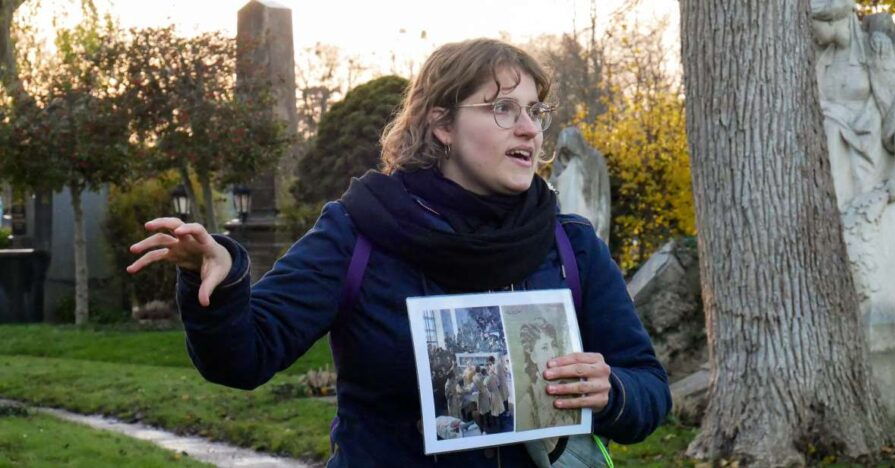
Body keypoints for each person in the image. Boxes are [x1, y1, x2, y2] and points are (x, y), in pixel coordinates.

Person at [127, 38, 670, 467]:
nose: (529, 129)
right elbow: (243, 358)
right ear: (442, 124)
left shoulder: (571, 244)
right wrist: (222, 282)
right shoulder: (357, 232)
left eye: (534, 111)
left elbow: (649, 389)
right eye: (503, 108)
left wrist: (611, 391)